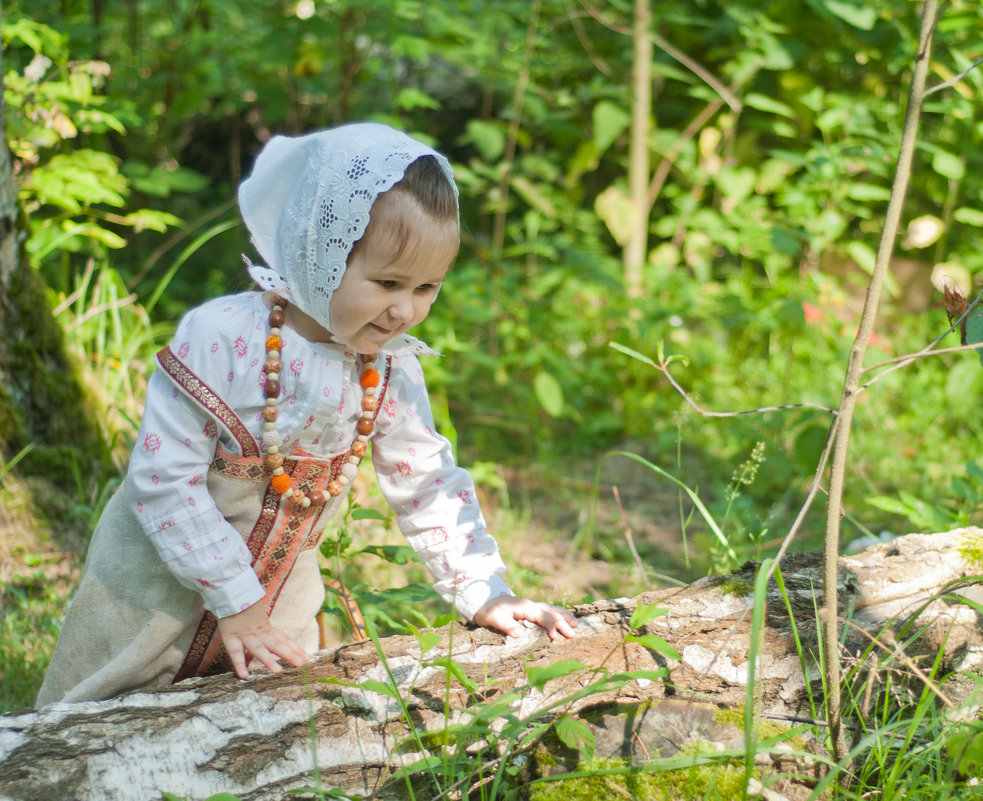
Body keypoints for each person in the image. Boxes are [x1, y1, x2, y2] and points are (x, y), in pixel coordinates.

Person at [36, 122, 577, 707]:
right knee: (92, 725)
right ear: (319, 253)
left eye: (427, 288)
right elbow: (161, 481)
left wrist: (483, 589)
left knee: (261, 735)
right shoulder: (221, 339)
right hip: (149, 599)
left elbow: (426, 482)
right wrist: (234, 602)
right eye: (388, 281)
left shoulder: (390, 371)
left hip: (279, 606)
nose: (404, 310)